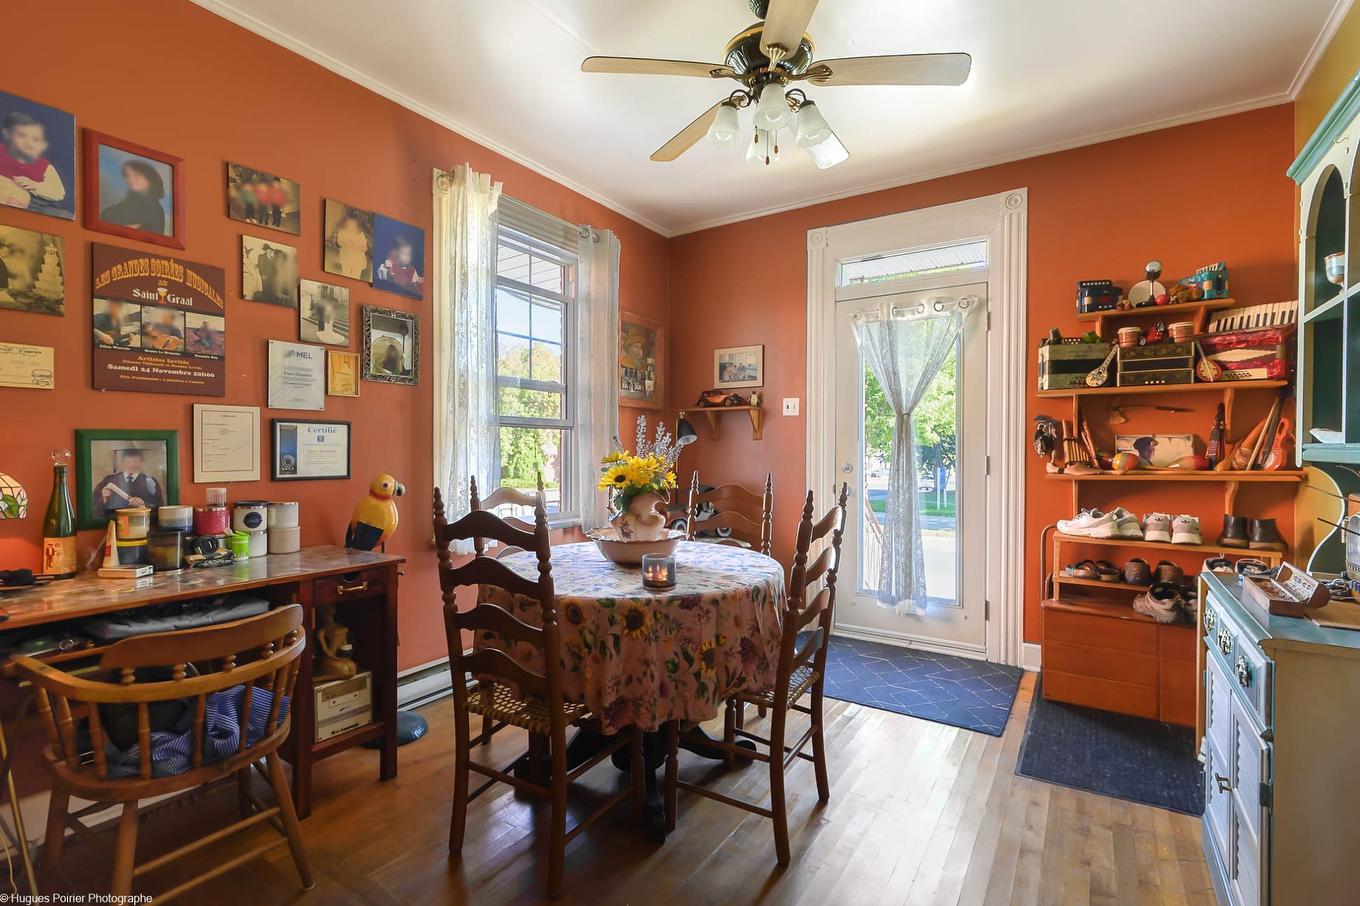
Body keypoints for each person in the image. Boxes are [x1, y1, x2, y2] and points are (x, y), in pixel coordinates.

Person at [0, 112, 66, 212]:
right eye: (22, 135)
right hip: (5, 196)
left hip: (36, 202)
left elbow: (59, 193)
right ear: (7, 134)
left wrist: (35, 186)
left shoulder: (44, 166)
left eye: (35, 139)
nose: (28, 142)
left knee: (62, 214)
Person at [100, 158, 167, 234]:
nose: (130, 179)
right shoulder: (132, 203)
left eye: (136, 176)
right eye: (128, 176)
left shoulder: (153, 206)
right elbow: (106, 215)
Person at [93, 448, 163, 519]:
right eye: (128, 461)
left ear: (141, 463)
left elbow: (160, 509)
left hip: (140, 521)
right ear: (122, 463)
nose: (131, 465)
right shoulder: (109, 480)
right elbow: (93, 509)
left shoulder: (150, 482)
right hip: (113, 521)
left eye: (136, 461)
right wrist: (104, 499)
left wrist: (144, 505)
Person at [333, 211, 369, 280]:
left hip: (357, 260)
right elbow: (338, 241)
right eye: (349, 224)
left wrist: (357, 247)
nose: (351, 227)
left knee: (356, 276)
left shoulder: (360, 235)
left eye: (353, 225)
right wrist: (344, 243)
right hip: (346, 258)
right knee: (345, 274)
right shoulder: (342, 232)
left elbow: (365, 248)